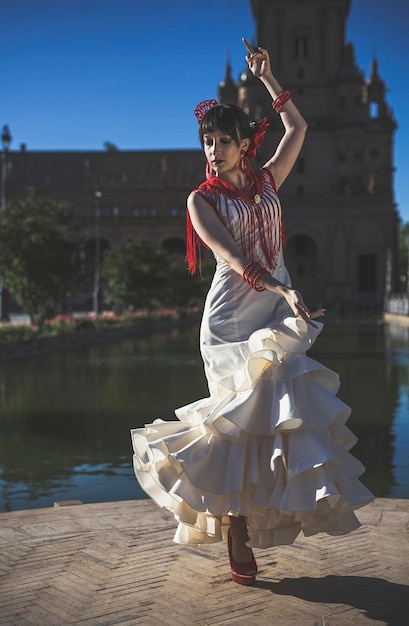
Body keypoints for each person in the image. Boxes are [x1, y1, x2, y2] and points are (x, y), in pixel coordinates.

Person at [131, 38, 374, 586]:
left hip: (276, 310)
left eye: (222, 141)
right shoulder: (202, 199)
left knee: (282, 410)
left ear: (245, 144)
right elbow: (233, 256)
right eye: (207, 143)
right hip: (231, 319)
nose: (213, 151)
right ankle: (236, 528)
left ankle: (259, 516)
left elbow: (298, 130)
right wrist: (285, 292)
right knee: (235, 427)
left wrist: (267, 77)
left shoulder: (268, 180)